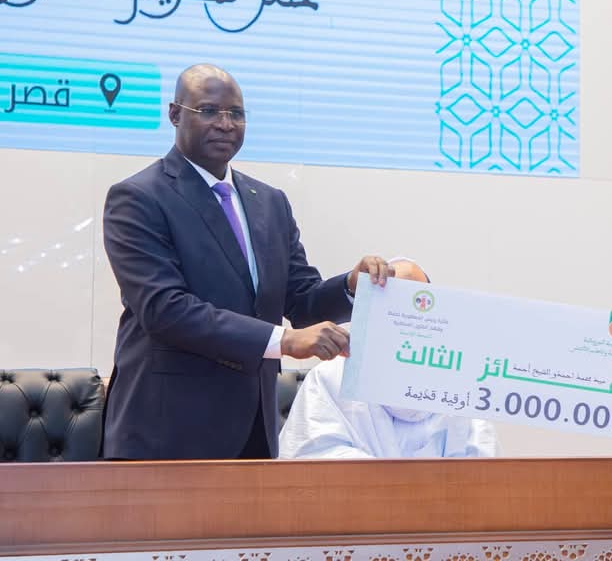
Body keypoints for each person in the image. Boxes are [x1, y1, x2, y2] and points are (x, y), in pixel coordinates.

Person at [101, 63, 394, 460]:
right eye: (208, 111)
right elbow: (165, 309)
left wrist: (351, 286)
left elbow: (301, 300)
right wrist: (283, 341)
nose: (225, 124)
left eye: (236, 113)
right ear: (174, 114)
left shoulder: (270, 202)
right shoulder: (138, 197)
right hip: (166, 432)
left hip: (253, 429)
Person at [278, 258, 499, 459]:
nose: (410, 316)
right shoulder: (330, 377)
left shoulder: (460, 384)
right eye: (398, 302)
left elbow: (481, 464)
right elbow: (314, 459)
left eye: (419, 302)